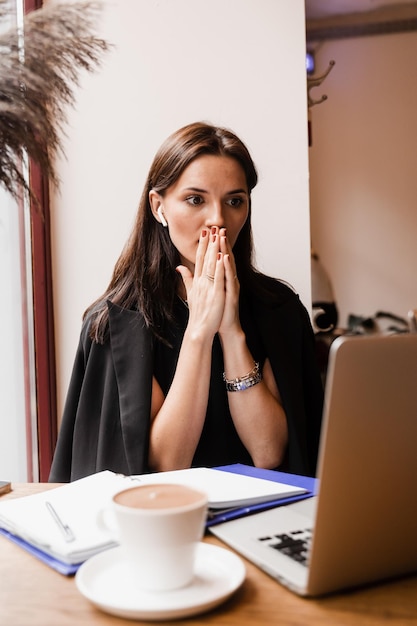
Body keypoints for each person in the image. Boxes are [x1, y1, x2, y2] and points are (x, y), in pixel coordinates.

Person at [49, 121, 323, 483]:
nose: (218, 220)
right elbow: (168, 462)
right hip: (162, 527)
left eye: (234, 201)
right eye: (196, 200)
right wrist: (199, 330)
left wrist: (230, 330)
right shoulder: (117, 325)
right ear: (158, 207)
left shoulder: (280, 310)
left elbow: (268, 452)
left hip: (263, 523)